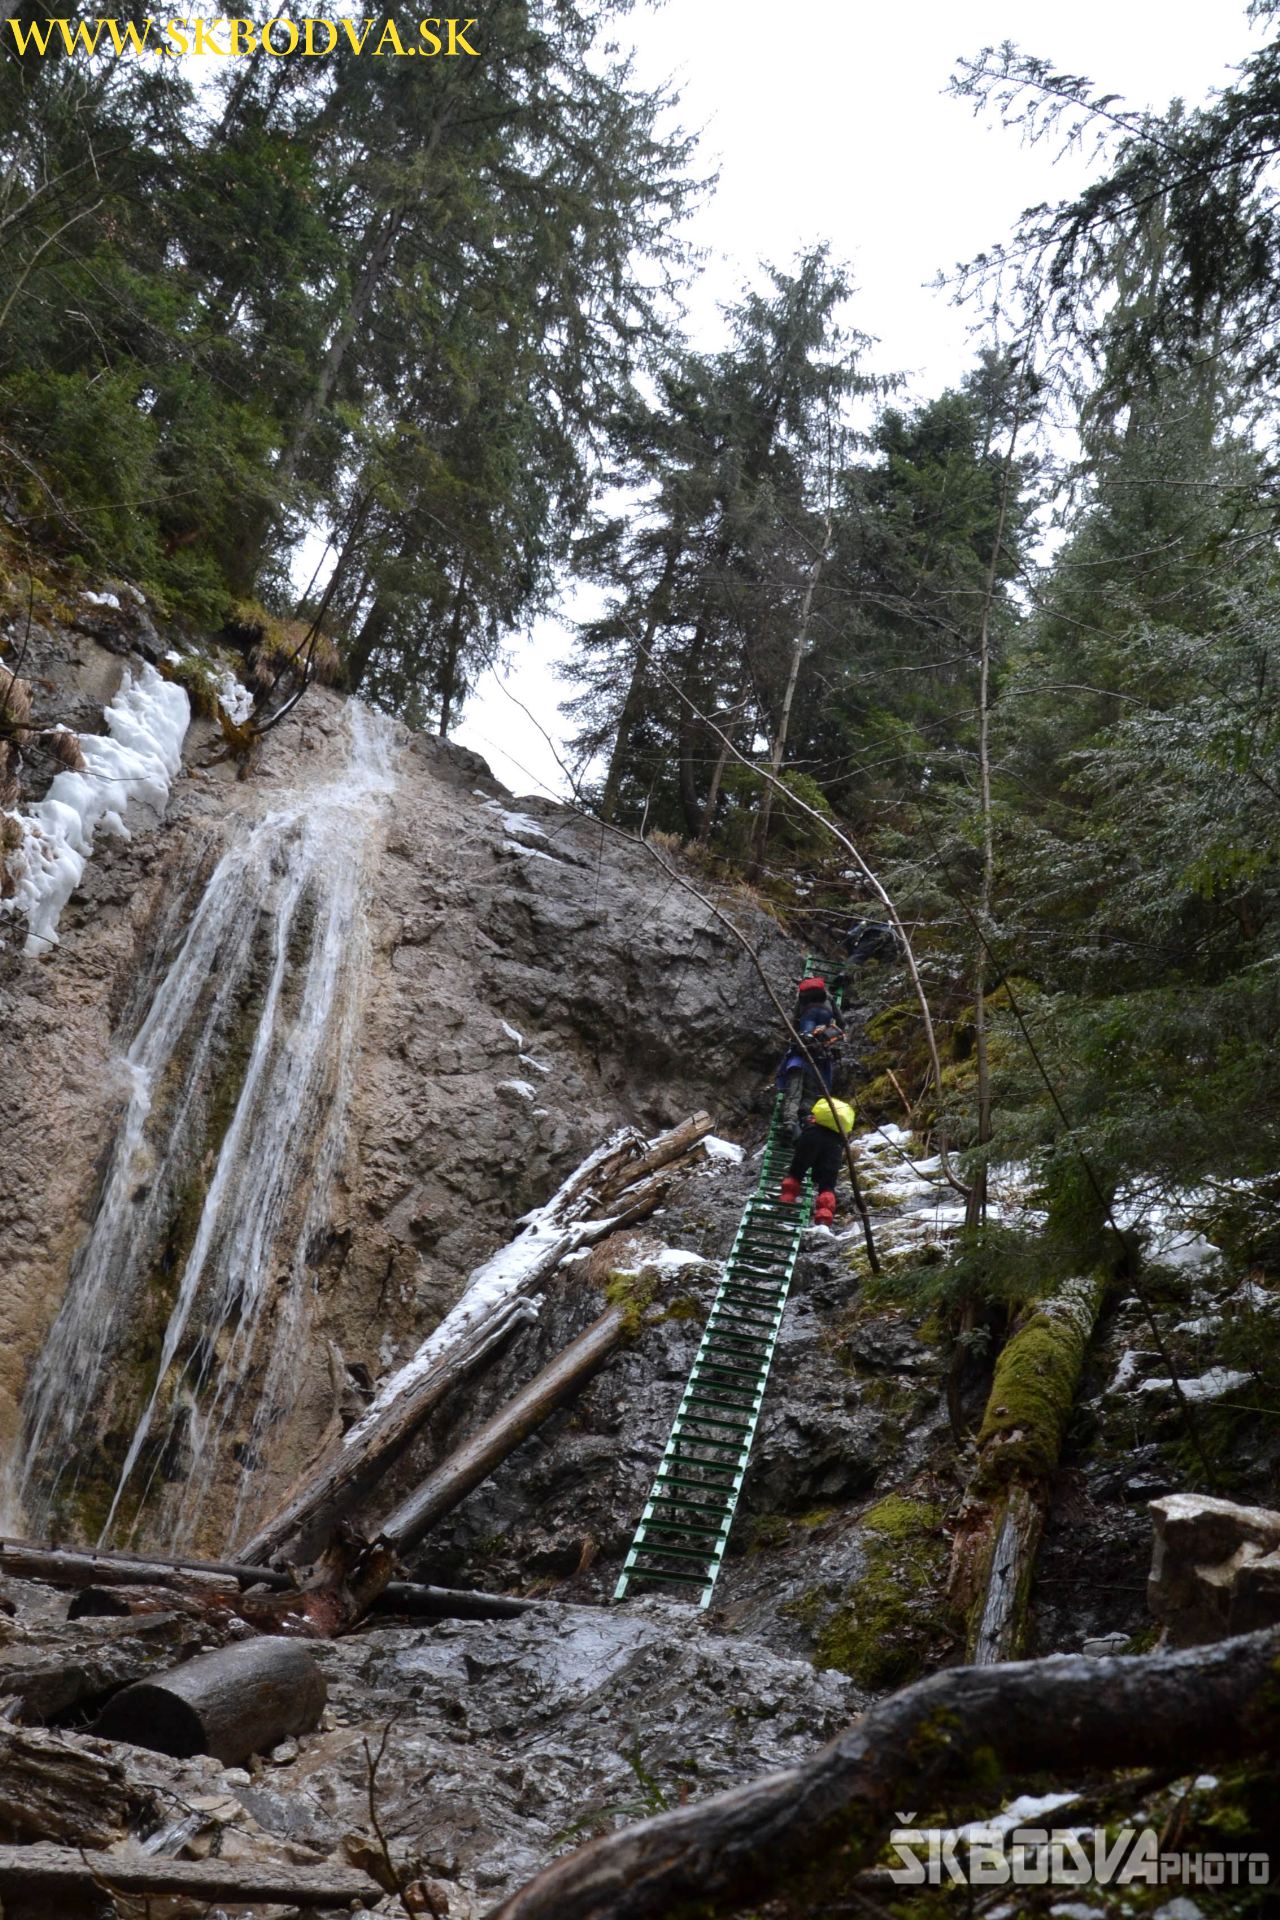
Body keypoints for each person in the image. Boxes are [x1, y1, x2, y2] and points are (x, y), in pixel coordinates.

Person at [776, 977, 845, 1135]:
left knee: (794, 1090)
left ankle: (789, 1122)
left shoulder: (802, 999)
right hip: (819, 1059)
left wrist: (795, 1036)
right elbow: (841, 1020)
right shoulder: (828, 996)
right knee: (810, 1092)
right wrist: (836, 1030)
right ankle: (806, 1120)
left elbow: (794, 1020)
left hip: (799, 1059)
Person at [779, 1094, 856, 1228]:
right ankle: (824, 1217)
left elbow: (800, 1130)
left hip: (810, 1139)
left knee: (796, 1174)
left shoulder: (812, 1121)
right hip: (833, 1148)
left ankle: (786, 1201)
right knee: (827, 1185)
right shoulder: (838, 1136)